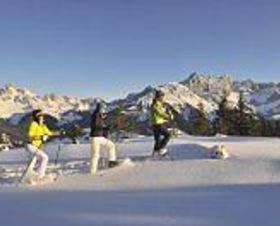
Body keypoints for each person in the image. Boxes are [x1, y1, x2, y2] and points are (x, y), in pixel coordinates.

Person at [25, 109, 59, 179]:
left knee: (35, 160)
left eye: (42, 116)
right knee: (44, 157)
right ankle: (39, 175)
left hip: (37, 147)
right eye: (41, 116)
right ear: (37, 117)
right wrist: (41, 137)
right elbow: (30, 135)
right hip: (31, 145)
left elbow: (49, 133)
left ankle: (32, 175)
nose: (42, 117)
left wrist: (59, 133)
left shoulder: (42, 126)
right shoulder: (34, 124)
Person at [89, 103, 118, 174]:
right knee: (95, 155)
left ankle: (112, 162)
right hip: (95, 138)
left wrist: (109, 127)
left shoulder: (99, 116)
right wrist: (106, 127)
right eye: (104, 109)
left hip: (100, 137)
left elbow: (100, 128)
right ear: (100, 109)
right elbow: (95, 127)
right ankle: (92, 172)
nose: (105, 112)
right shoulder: (96, 116)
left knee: (111, 145)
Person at [150, 90, 172, 157]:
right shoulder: (156, 104)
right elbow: (160, 113)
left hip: (156, 124)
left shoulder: (157, 104)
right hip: (158, 124)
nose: (163, 98)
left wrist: (166, 116)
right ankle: (161, 149)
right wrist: (168, 116)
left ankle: (155, 153)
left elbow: (160, 113)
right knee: (168, 135)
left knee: (157, 139)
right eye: (162, 96)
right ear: (159, 97)